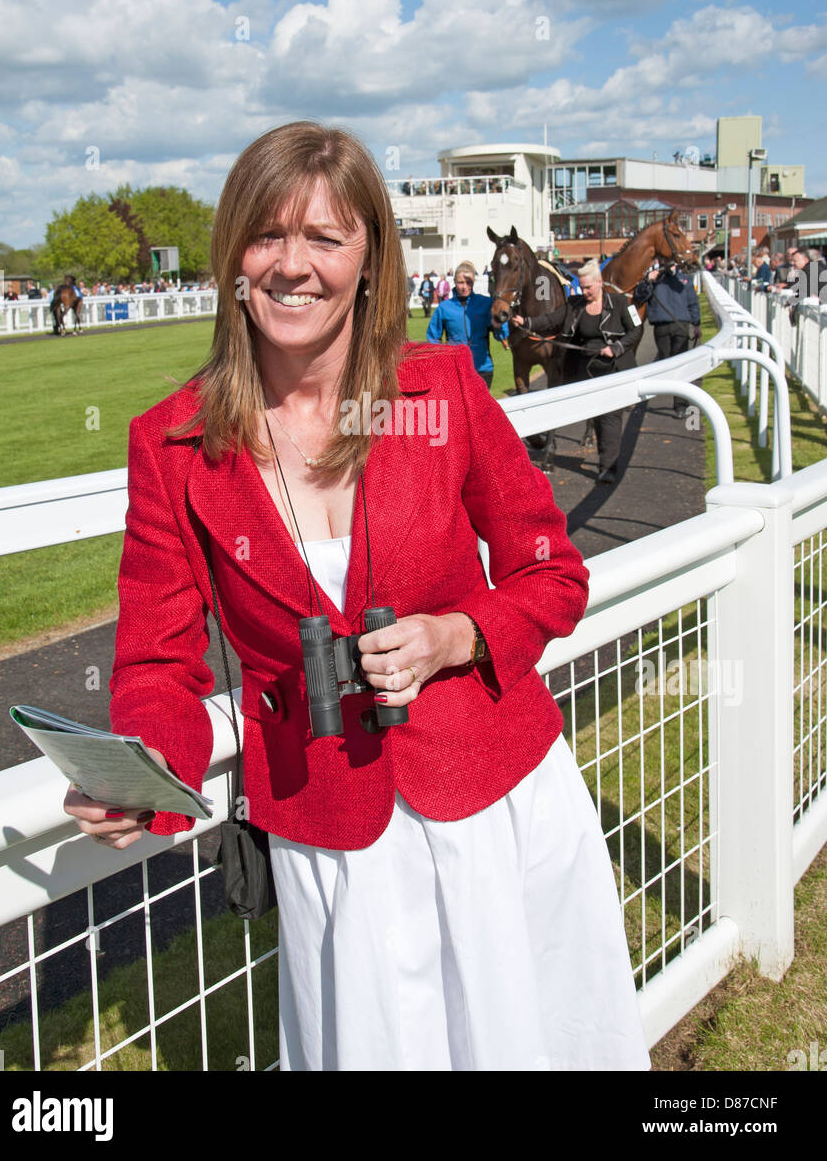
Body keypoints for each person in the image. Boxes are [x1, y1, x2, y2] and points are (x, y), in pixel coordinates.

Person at [65, 121, 650, 1073]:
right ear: (231, 257)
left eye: (325, 239)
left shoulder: (441, 390)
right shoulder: (169, 442)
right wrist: (142, 779)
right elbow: (155, 665)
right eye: (265, 236)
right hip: (331, 832)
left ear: (369, 259)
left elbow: (551, 572)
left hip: (497, 803)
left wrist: (458, 633)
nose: (292, 266)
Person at [512, 259, 642, 484]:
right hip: (582, 369)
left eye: (588, 288)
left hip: (613, 369)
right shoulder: (574, 304)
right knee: (592, 412)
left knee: (609, 417)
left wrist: (616, 348)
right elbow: (551, 319)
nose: (584, 292)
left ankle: (608, 466)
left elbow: (636, 329)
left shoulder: (621, 303)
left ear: (600, 282)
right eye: (581, 287)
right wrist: (528, 322)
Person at [633, 261, 700, 418]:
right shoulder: (654, 279)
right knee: (666, 363)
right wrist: (647, 280)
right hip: (661, 326)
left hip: (681, 325)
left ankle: (680, 404)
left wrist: (696, 324)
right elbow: (640, 296)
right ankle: (670, 394)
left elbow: (693, 303)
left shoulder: (684, 280)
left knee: (680, 365)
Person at [425, 261, 506, 389]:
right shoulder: (444, 308)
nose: (464, 287)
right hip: (454, 371)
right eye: (460, 282)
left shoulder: (486, 303)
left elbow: (500, 335)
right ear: (454, 282)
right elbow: (433, 338)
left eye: (469, 283)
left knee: (480, 408)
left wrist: (500, 324)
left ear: (474, 282)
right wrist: (441, 361)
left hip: (482, 369)